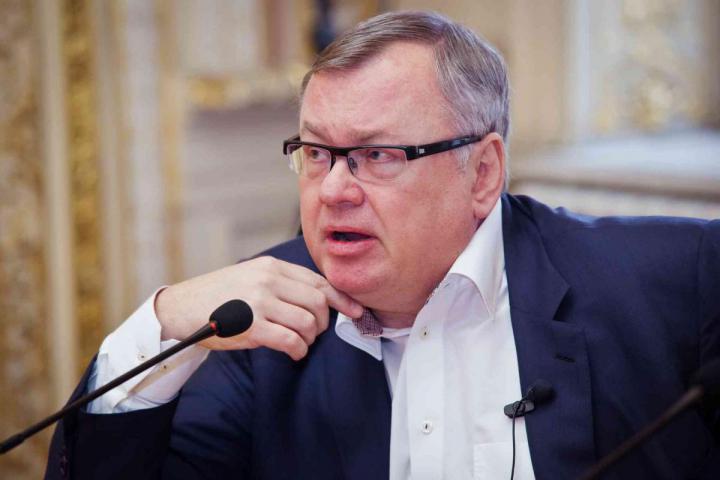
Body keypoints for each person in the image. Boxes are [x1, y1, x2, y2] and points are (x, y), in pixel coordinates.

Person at [46, 10, 719, 480]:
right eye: (317, 153)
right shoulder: (260, 327)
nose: (334, 190)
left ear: (483, 172)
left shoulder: (673, 281)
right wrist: (161, 324)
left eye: (378, 155)